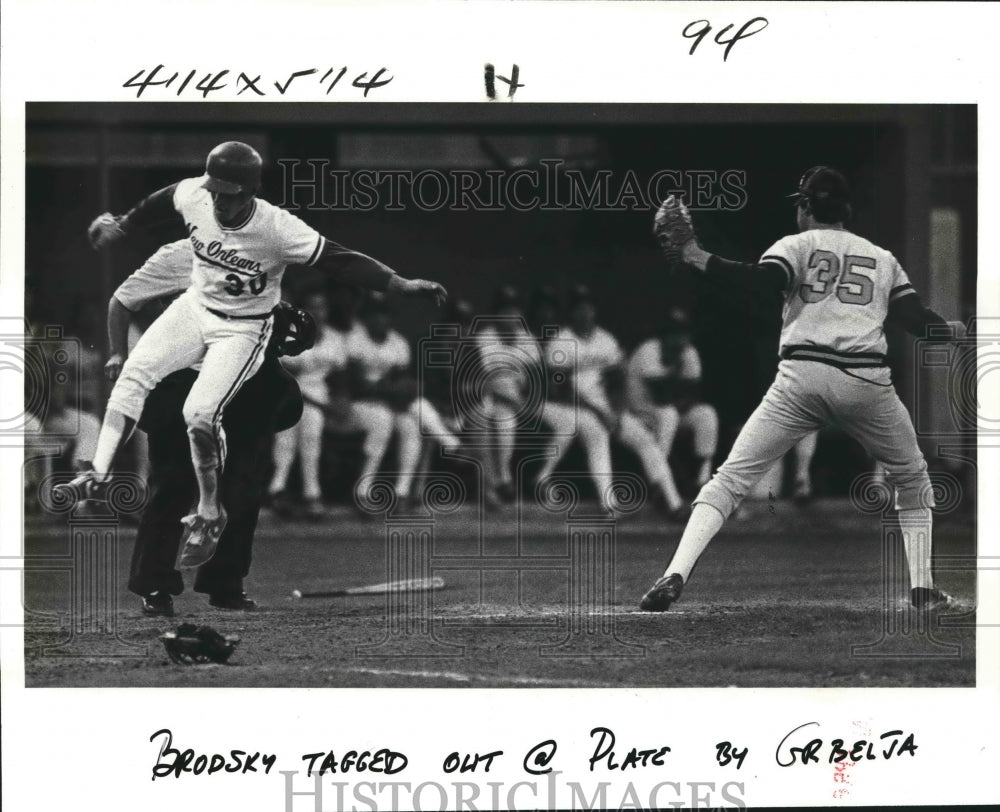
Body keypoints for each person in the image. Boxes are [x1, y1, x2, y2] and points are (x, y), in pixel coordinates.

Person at [56, 141, 446, 569]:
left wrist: (400, 284)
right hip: (196, 306)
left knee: (199, 415)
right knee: (134, 373)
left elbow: (339, 259)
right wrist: (123, 224)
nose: (218, 199)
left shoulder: (277, 227)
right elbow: (168, 195)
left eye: (229, 192)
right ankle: (97, 471)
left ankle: (208, 512)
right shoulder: (198, 197)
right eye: (215, 190)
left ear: (250, 190)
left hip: (243, 327)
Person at [640, 166, 965, 612]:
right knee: (912, 478)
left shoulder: (797, 244)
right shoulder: (881, 257)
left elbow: (761, 282)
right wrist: (952, 330)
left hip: (801, 377)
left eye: (800, 202)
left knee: (730, 479)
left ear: (809, 206)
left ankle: (674, 573)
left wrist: (697, 256)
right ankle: (924, 590)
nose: (798, 208)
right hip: (866, 380)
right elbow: (915, 321)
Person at [103, 240, 313, 614]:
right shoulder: (176, 254)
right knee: (173, 485)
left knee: (244, 484)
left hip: (243, 377)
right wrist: (119, 352)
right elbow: (122, 300)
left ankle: (225, 583)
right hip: (180, 375)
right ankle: (154, 586)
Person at [547, 285, 690, 518]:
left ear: (594, 311)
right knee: (597, 434)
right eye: (579, 308)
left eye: (588, 307)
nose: (585, 313)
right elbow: (560, 390)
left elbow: (619, 381)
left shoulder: (606, 340)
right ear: (571, 312)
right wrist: (599, 412)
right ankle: (609, 505)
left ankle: (672, 502)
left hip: (608, 408)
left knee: (646, 441)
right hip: (576, 409)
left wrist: (616, 410)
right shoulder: (560, 342)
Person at [348, 293, 459, 507]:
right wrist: (390, 389)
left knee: (411, 425)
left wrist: (392, 390)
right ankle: (363, 491)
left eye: (383, 314)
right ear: (366, 317)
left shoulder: (397, 341)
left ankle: (402, 492)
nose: (380, 319)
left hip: (388, 401)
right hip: (361, 404)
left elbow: (402, 381)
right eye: (374, 314)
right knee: (382, 421)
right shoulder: (355, 339)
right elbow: (357, 386)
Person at [267, 289, 347, 520]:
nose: (318, 312)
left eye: (322, 307)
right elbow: (279, 373)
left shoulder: (335, 337)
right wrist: (320, 404)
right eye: (312, 307)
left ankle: (287, 490)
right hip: (287, 393)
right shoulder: (288, 333)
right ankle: (303, 493)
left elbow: (340, 377)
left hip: (319, 396)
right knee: (292, 427)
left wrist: (340, 402)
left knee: (310, 424)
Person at [626, 308, 718, 492]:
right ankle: (658, 481)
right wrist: (678, 375)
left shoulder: (689, 352)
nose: (679, 338)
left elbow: (693, 393)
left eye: (683, 332)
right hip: (640, 412)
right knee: (668, 414)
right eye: (673, 332)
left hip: (670, 410)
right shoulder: (648, 350)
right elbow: (660, 396)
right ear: (663, 334)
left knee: (706, 414)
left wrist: (680, 394)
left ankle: (702, 478)